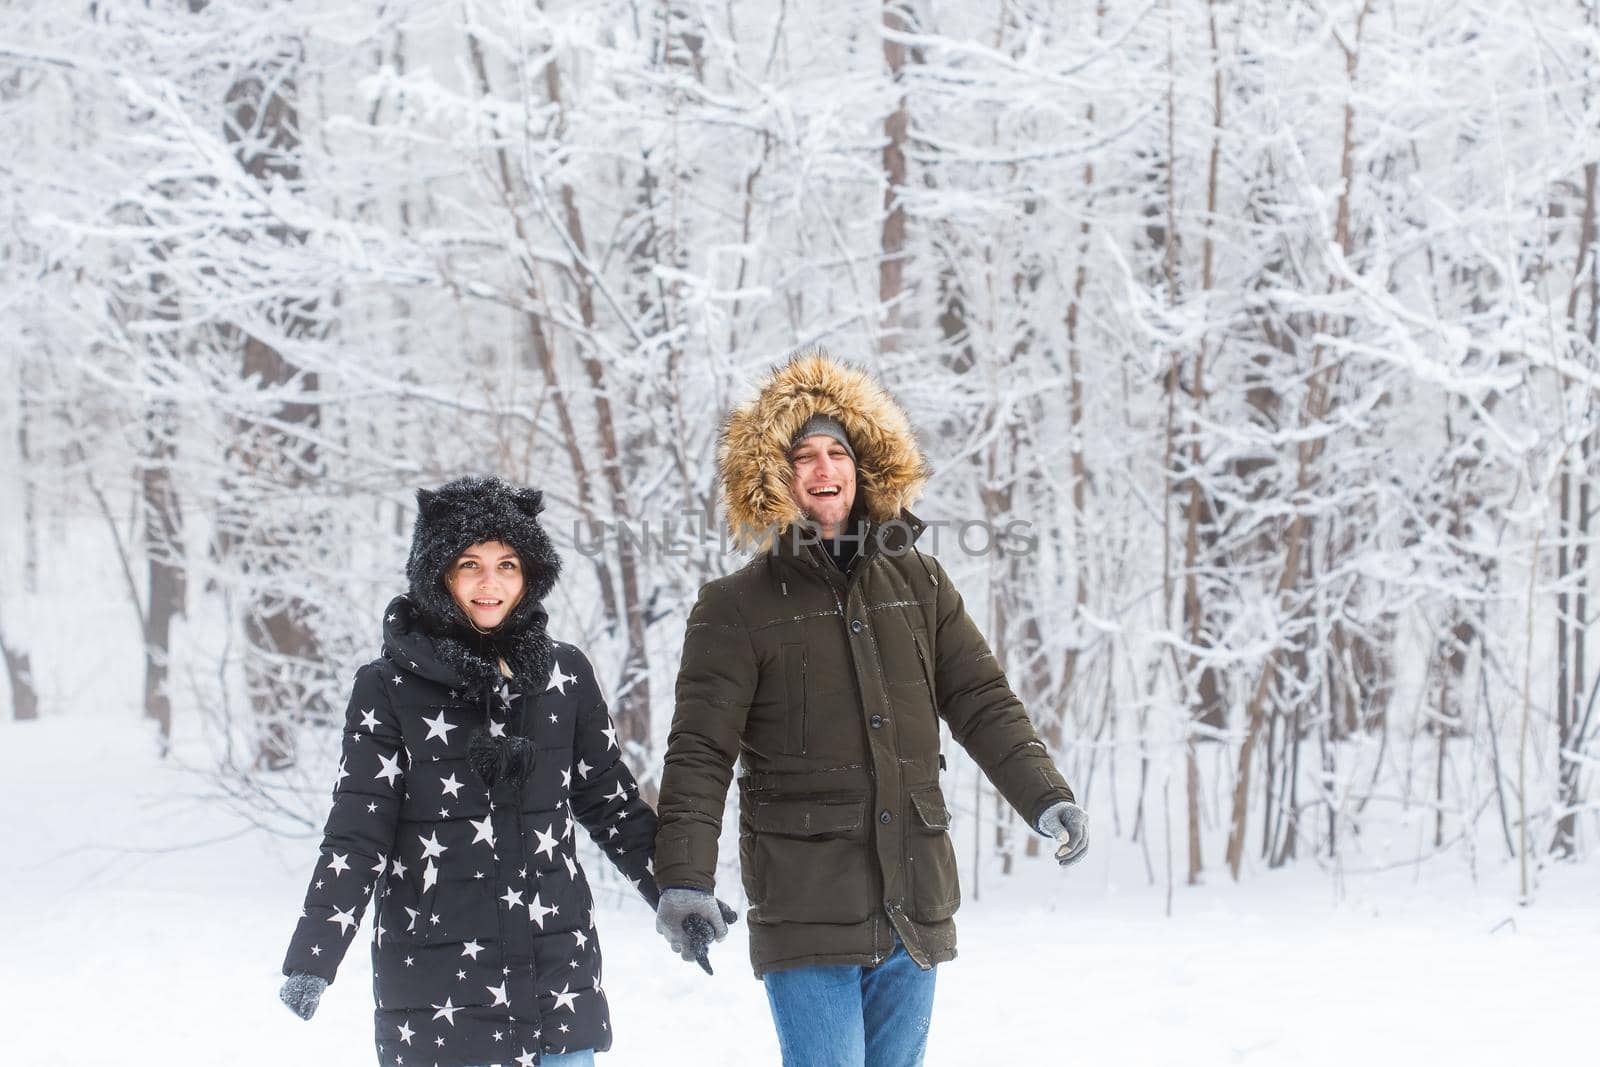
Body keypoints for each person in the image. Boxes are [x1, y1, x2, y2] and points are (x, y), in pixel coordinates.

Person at [651, 349, 1089, 1067]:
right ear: (773, 475)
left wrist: (1046, 795)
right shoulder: (734, 607)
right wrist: (685, 881)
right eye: (805, 455)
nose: (825, 470)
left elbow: (980, 698)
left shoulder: (918, 579)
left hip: (912, 894)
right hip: (805, 900)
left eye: (838, 451)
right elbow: (700, 752)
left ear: (865, 463)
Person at [278, 476, 693, 1067]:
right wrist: (313, 957)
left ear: (530, 575)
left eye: (508, 564)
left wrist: (678, 889)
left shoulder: (565, 676)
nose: (490, 583)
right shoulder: (386, 687)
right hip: (439, 986)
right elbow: (356, 833)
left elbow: (610, 801)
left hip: (557, 974)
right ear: (438, 573)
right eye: (469, 564)